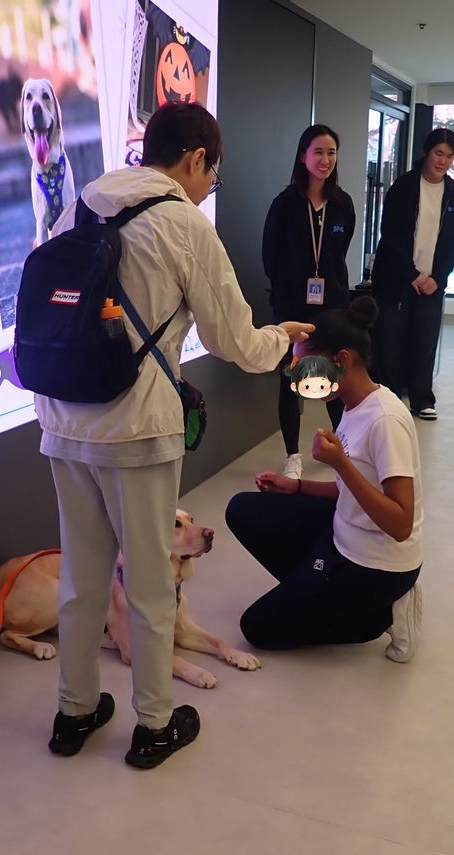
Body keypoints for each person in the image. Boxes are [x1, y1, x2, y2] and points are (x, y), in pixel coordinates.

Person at [35, 103, 314, 769]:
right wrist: (283, 338)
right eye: (212, 176)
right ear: (194, 159)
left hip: (64, 422)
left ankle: (74, 713)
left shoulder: (81, 204)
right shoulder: (185, 224)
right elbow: (234, 341)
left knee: (82, 578)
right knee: (152, 583)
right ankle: (154, 724)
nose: (208, 188)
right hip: (137, 429)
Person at [225, 297, 424, 662]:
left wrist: (340, 463)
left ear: (342, 360)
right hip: (343, 534)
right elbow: (352, 490)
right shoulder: (353, 405)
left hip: (376, 565)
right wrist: (298, 487)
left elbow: (401, 523)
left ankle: (382, 613)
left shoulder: (385, 420)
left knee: (257, 627)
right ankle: (317, 589)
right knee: (243, 509)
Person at [262, 124, 357, 479]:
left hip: (332, 306)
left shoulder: (342, 204)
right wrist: (286, 292)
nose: (325, 160)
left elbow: (340, 252)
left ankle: (343, 450)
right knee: (292, 380)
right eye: (318, 152)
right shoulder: (284, 204)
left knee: (334, 378)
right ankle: (293, 455)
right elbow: (270, 257)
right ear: (303, 156)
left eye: (331, 153)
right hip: (292, 308)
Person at [371, 128, 454, 421]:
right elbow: (390, 235)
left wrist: (438, 277)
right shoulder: (403, 187)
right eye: (439, 153)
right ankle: (389, 398)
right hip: (397, 278)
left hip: (431, 282)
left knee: (425, 339)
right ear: (427, 152)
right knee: (390, 339)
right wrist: (410, 274)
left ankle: (422, 398)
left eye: (450, 156)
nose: (443, 161)